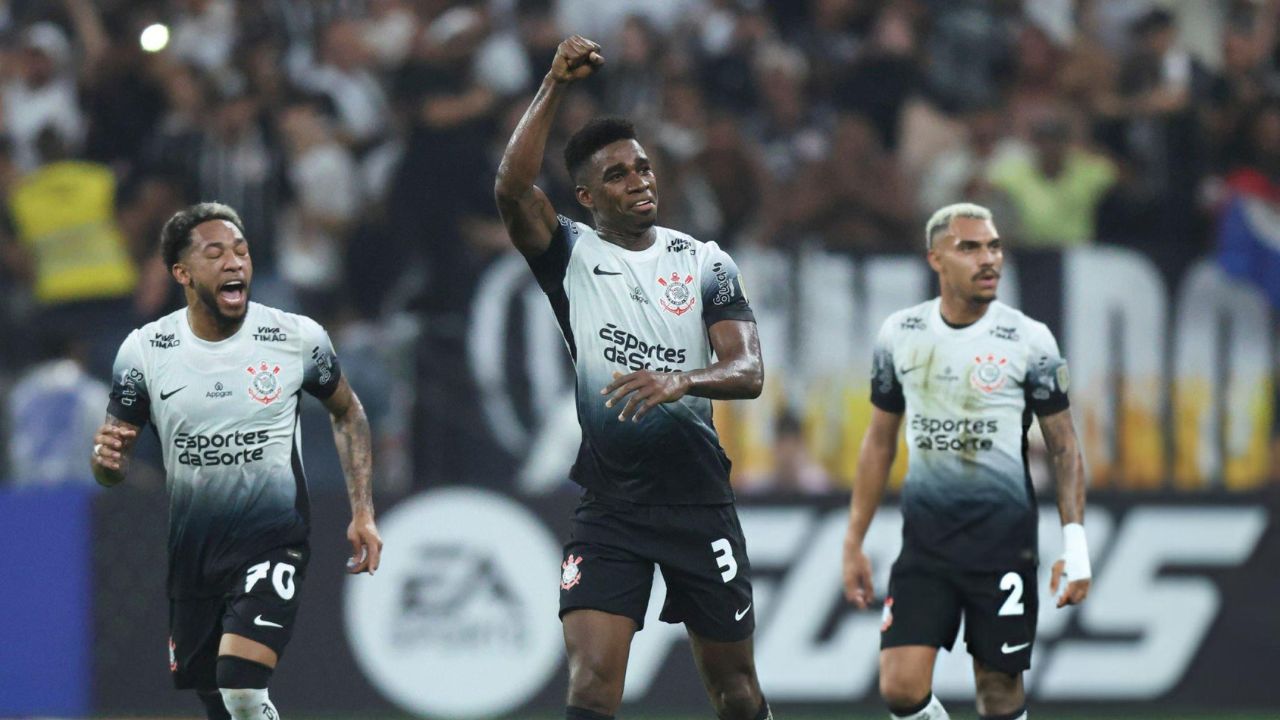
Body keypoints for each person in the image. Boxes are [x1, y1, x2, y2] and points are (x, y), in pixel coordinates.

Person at [494, 36, 773, 720]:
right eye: (618, 173)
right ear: (587, 195)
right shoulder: (570, 257)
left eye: (644, 167)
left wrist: (683, 382)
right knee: (591, 686)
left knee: (736, 692)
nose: (640, 179)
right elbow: (510, 187)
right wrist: (555, 83)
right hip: (612, 508)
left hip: (698, 501)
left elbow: (750, 370)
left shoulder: (705, 260)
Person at [88, 202, 383, 720]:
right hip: (195, 557)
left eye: (241, 251)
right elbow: (112, 464)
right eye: (215, 252)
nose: (234, 263)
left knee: (241, 686)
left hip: (273, 542)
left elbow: (348, 412)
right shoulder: (145, 351)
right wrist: (106, 464)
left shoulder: (295, 337)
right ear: (182, 273)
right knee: (224, 706)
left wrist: (363, 510)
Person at [841, 203, 1091, 720]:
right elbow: (879, 442)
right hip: (926, 547)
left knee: (998, 692)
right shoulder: (900, 333)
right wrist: (854, 540)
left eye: (994, 246)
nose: (989, 259)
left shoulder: (1029, 339)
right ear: (936, 258)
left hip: (1003, 547)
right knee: (900, 688)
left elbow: (1064, 447)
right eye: (970, 247)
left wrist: (1076, 543)